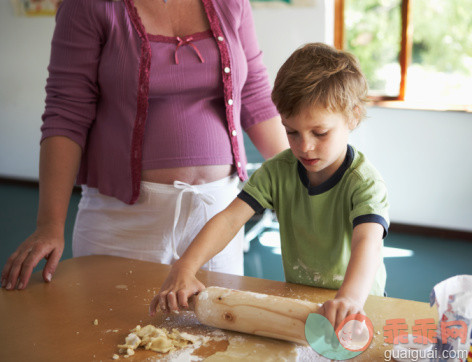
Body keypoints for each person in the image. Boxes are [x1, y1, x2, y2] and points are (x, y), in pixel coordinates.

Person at [1, 0, 289, 291]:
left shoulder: (232, 3)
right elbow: (66, 113)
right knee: (110, 333)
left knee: (214, 335)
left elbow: (255, 95)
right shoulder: (88, 5)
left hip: (217, 218)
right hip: (124, 220)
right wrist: (50, 224)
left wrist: (300, 176)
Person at [150, 42, 390, 330]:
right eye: (291, 132)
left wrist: (349, 298)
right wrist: (185, 267)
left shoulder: (364, 182)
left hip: (359, 306)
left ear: (352, 116)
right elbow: (229, 221)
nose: (305, 147)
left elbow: (369, 242)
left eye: (320, 132)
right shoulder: (279, 171)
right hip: (303, 303)